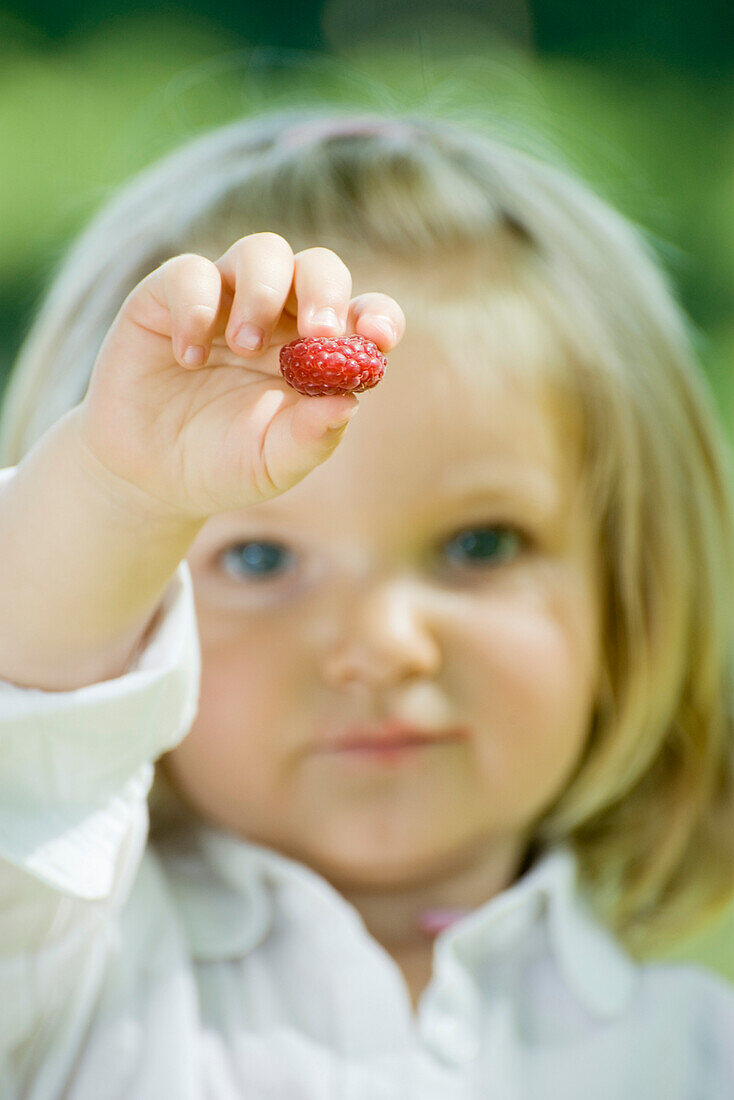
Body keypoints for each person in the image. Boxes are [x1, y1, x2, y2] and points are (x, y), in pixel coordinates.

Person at [0, 105, 733, 1099]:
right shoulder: (61, 977)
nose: (380, 646)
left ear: (631, 585)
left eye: (478, 545)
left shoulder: (692, 1050)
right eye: (258, 557)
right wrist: (115, 493)